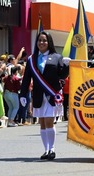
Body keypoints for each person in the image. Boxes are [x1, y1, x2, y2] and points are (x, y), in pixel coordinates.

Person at [19, 31, 70, 160]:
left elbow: (62, 75)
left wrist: (67, 66)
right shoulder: (31, 59)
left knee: (49, 120)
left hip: (51, 94)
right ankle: (46, 150)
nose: (42, 43)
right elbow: (26, 78)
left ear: (49, 42)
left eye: (44, 40)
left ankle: (52, 149)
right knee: (42, 122)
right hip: (38, 94)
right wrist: (23, 94)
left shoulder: (57, 57)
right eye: (40, 40)